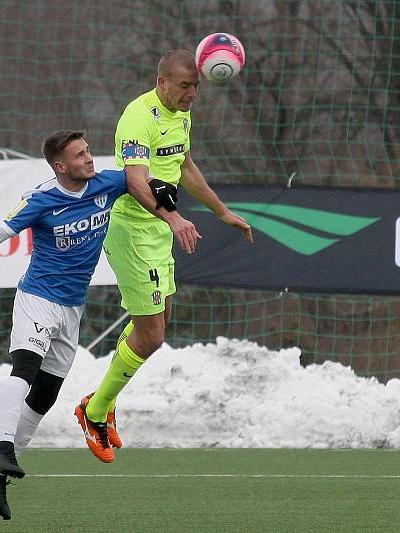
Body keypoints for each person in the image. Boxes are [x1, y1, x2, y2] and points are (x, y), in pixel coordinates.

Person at [0, 130, 198, 520]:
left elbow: (137, 179)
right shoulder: (42, 199)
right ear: (60, 166)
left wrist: (159, 186)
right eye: (80, 155)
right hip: (38, 298)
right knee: (26, 368)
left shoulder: (107, 183)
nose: (89, 158)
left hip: (72, 308)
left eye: (88, 151)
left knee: (46, 394)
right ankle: (3, 447)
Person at [76, 49, 254, 463]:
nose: (192, 93)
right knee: (152, 337)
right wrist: (175, 219)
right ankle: (95, 410)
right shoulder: (138, 119)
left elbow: (184, 165)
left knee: (155, 327)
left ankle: (101, 401)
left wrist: (222, 211)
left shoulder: (181, 115)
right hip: (133, 230)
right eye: (185, 86)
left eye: (196, 87)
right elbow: (136, 181)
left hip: (157, 229)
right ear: (163, 83)